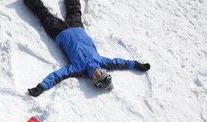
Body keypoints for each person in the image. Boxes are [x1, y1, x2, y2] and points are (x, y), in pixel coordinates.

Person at [23, 0, 151, 96]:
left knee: (43, 13)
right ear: (104, 72)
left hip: (59, 32)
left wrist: (41, 87)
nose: (97, 73)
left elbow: (58, 75)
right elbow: (121, 63)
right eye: (102, 73)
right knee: (74, 8)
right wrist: (137, 65)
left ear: (93, 80)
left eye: (97, 77)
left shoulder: (79, 69)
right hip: (78, 28)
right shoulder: (102, 62)